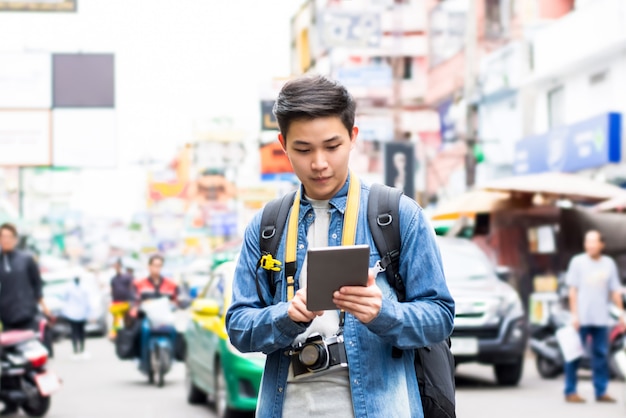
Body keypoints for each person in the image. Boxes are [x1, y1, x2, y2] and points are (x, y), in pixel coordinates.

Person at [225, 75, 455, 417]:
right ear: (283, 144)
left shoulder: (397, 215)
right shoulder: (266, 226)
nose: (319, 163)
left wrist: (383, 312)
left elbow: (440, 316)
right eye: (303, 149)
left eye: (332, 147)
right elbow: (239, 327)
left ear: (353, 137)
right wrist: (285, 316)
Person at [564, 230, 624, 403]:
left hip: (601, 318)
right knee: (574, 355)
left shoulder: (609, 264)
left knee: (601, 355)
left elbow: (615, 291)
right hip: (581, 318)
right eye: (587, 241)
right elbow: (572, 290)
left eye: (593, 241)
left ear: (601, 244)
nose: (590, 245)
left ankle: (601, 390)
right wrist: (574, 315)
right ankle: (570, 390)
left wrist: (621, 314)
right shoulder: (577, 262)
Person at [0, 223, 52, 415]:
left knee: (31, 360)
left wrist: (45, 309)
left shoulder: (26, 259)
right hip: (7, 321)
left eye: (8, 236)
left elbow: (38, 287)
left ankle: (35, 392)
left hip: (28, 317)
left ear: (15, 239)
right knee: (7, 363)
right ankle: (11, 401)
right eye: (2, 236)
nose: (5, 240)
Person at [61, 274, 91, 358]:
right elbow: (64, 298)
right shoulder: (69, 288)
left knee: (81, 332)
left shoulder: (84, 288)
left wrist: (90, 313)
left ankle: (81, 348)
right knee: (74, 332)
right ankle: (75, 349)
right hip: (72, 313)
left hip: (82, 313)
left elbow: (88, 301)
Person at [109, 259, 134, 337]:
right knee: (117, 320)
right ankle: (116, 334)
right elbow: (112, 290)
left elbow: (132, 288)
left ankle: (118, 333)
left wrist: (131, 301)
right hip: (116, 302)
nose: (116, 267)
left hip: (126, 302)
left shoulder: (127, 277)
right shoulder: (113, 278)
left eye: (117, 265)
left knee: (125, 321)